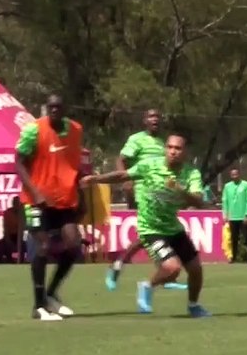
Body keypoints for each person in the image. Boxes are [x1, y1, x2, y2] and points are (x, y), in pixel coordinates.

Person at [81, 132, 211, 317]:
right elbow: (122, 175)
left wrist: (180, 190)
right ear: (165, 149)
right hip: (151, 227)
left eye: (178, 148)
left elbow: (199, 201)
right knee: (172, 268)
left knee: (196, 270)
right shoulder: (151, 165)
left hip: (173, 227)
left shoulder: (191, 173)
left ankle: (193, 306)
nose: (173, 151)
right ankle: (147, 286)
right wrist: (96, 179)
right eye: (170, 147)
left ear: (185, 152)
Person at [13, 94, 85, 321]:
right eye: (50, 107)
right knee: (42, 246)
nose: (54, 110)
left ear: (65, 108)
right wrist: (35, 192)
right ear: (46, 108)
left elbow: (74, 166)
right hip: (36, 202)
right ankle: (38, 306)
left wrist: (81, 195)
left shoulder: (75, 130)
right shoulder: (33, 130)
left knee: (74, 246)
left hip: (64, 201)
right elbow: (18, 162)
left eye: (58, 106)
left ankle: (51, 293)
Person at [105, 108, 188, 291]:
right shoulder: (137, 139)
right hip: (142, 193)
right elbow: (122, 159)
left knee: (153, 234)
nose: (155, 119)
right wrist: (127, 182)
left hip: (160, 195)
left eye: (158, 116)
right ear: (144, 120)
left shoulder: (163, 143)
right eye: (151, 116)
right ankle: (119, 265)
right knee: (150, 233)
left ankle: (164, 273)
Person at [222, 168, 247, 264]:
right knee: (233, 238)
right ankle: (233, 258)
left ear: (239, 174)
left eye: (236, 174)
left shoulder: (246, 185)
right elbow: (225, 200)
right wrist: (225, 214)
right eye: (232, 175)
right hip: (232, 217)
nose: (234, 176)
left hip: (243, 217)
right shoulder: (227, 186)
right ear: (230, 175)